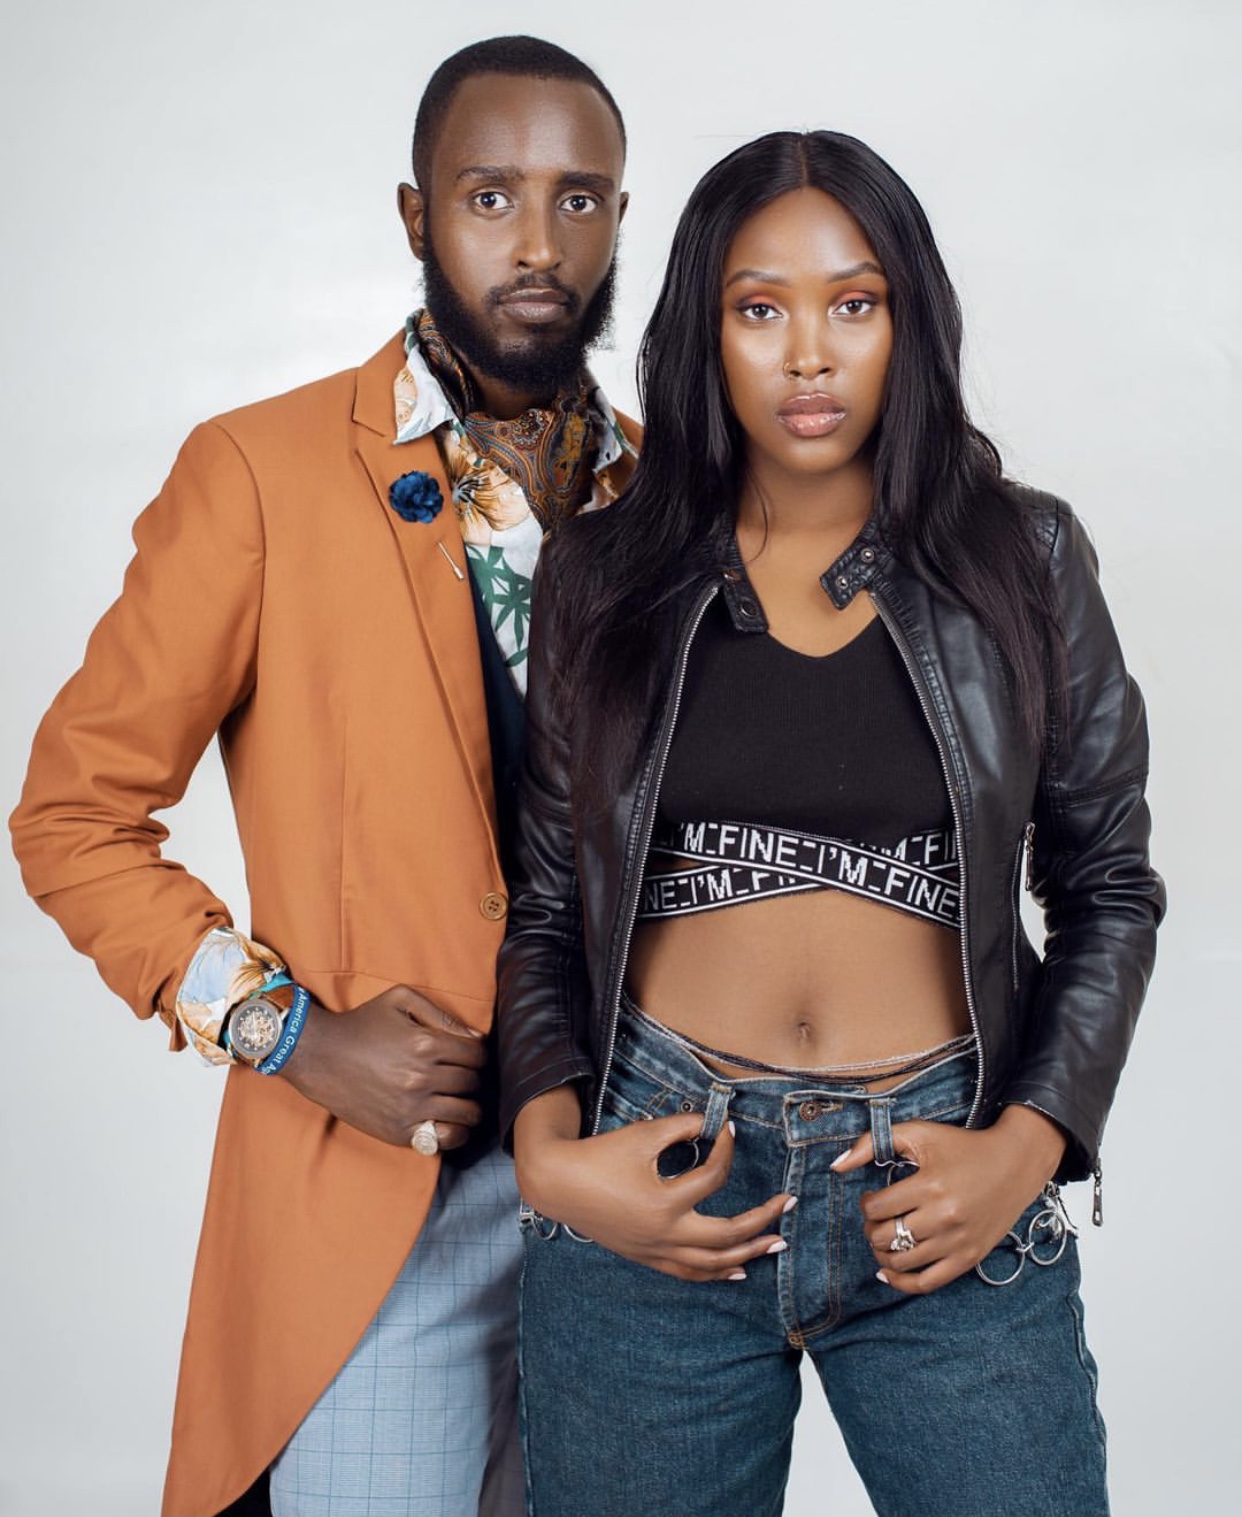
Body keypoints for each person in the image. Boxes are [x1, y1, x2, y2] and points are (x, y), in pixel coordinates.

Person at [497, 129, 1165, 1517]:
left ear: (907, 322)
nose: (809, 355)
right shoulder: (602, 574)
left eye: (852, 304)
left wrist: (1030, 1143)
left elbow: (1107, 881)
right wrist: (550, 1157)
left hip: (940, 1179)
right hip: (659, 1174)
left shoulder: (1024, 559)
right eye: (761, 309)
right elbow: (549, 905)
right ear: (704, 333)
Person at [10, 35, 633, 1517]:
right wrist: (288, 1032)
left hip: (632, 1192)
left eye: (577, 200)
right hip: (383, 1201)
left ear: (619, 218)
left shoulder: (672, 496)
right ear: (416, 215)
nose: (536, 246)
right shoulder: (260, 472)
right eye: (489, 196)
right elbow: (73, 817)